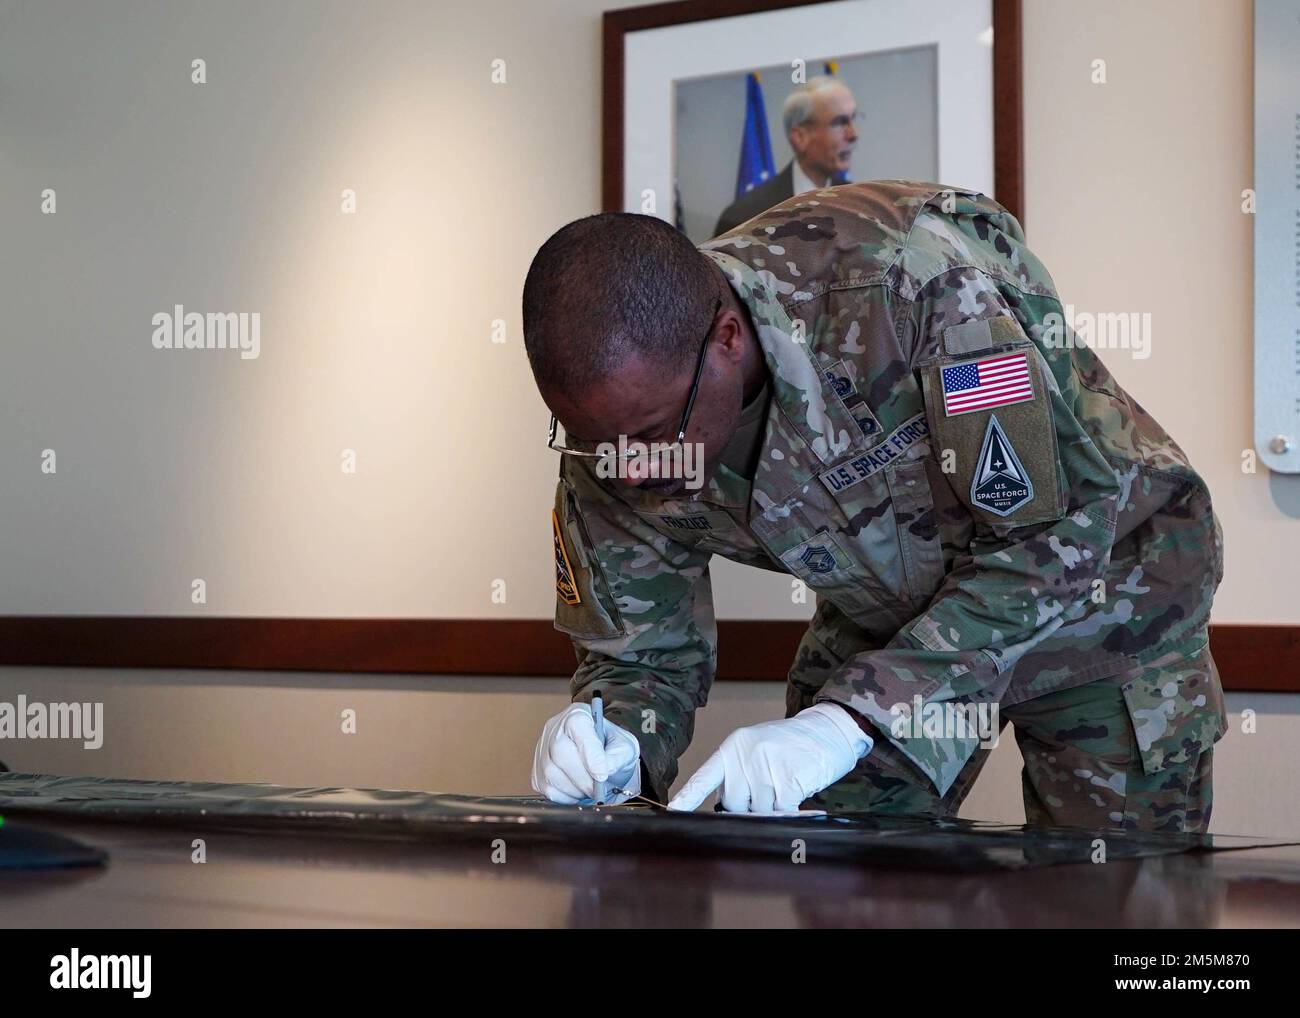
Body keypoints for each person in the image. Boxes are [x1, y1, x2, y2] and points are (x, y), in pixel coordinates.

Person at [522, 180, 1226, 831]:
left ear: (727, 342)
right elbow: (641, 660)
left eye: (652, 435)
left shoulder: (913, 291)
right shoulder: (612, 438)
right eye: (595, 443)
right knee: (836, 873)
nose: (634, 470)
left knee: (1112, 894)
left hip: (1103, 601)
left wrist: (853, 719)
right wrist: (611, 735)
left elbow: (1047, 537)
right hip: (898, 615)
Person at [713, 75, 859, 237]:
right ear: (800, 138)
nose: (853, 134)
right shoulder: (743, 218)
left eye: (853, 119)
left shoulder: (857, 206)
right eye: (839, 123)